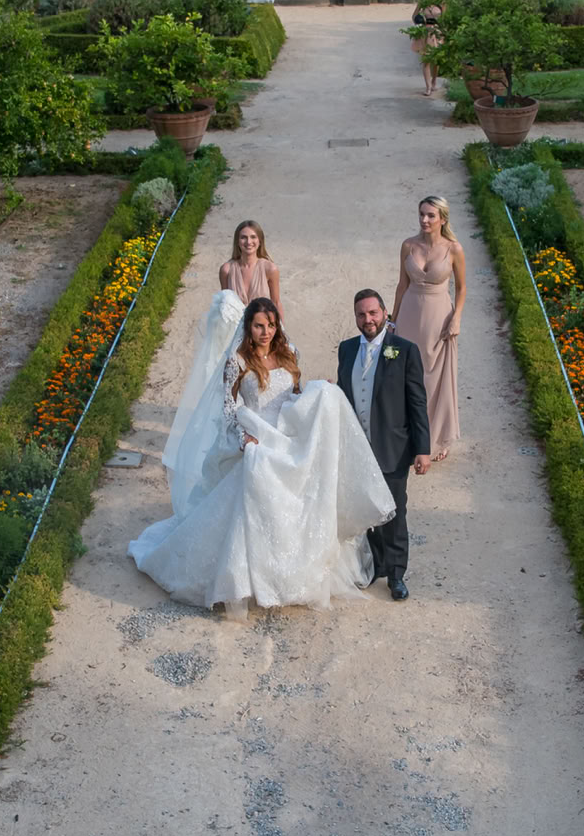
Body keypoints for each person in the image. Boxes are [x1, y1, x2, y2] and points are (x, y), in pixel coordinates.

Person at [131, 295, 395, 611]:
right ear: (248, 327)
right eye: (259, 326)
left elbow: (295, 396)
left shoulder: (289, 353)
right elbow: (229, 407)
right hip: (255, 438)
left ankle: (290, 575)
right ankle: (248, 580)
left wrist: (317, 392)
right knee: (251, 505)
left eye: (270, 325)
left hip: (286, 436)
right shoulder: (238, 361)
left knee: (297, 502)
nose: (266, 331)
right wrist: (243, 438)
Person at [336, 289, 430, 599]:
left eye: (373, 313)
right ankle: (376, 564)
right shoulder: (347, 349)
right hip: (357, 448)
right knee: (365, 511)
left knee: (393, 512)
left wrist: (422, 449)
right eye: (361, 314)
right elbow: (343, 394)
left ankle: (397, 574)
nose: (368, 319)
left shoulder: (404, 350)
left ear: (385, 313)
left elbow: (417, 403)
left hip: (392, 448)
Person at [391, 196, 464, 460]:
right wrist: (392, 320)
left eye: (431, 215)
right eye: (422, 214)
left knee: (434, 379)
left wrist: (456, 318)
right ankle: (408, 436)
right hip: (409, 314)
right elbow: (401, 285)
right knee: (407, 376)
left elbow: (463, 288)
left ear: (442, 219)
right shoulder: (408, 245)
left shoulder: (454, 249)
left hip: (439, 319)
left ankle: (434, 439)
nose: (424, 220)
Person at [218, 220, 280, 310]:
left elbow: (276, 303)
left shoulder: (270, 269)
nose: (248, 242)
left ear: (260, 241)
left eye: (253, 237)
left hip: (261, 323)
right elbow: (224, 304)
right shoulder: (226, 270)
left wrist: (280, 324)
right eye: (243, 237)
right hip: (234, 323)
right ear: (237, 241)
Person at [410, 0, 444, 97]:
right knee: (426, 59)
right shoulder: (423, 2)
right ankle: (428, 86)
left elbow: (445, 18)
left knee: (436, 60)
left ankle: (434, 81)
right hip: (426, 32)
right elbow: (414, 16)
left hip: (437, 32)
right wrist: (420, 22)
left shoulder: (441, 2)